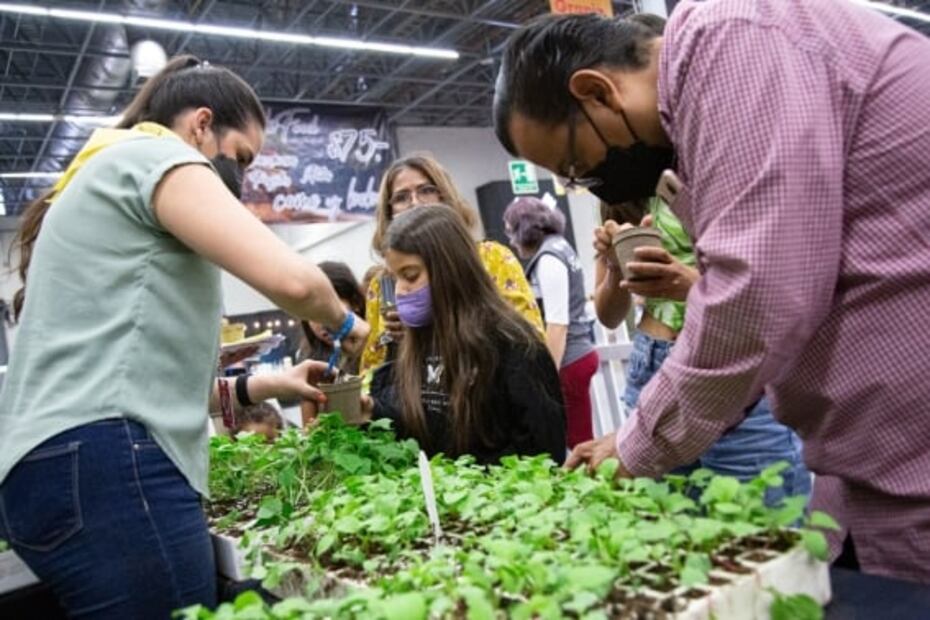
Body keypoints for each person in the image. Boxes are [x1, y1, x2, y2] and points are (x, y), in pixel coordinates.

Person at [493, 1, 930, 583]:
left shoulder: (733, 42)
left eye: (577, 164)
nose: (585, 184)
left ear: (597, 92)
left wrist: (638, 442)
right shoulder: (700, 115)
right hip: (872, 462)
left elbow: (755, 298)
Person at [0, 55, 368, 618]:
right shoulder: (155, 154)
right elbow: (294, 280)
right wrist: (347, 324)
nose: (242, 176)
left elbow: (146, 374)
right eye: (241, 157)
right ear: (200, 125)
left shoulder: (100, 177)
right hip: (108, 471)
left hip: (48, 474)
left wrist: (273, 383)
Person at [595, 198, 810, 505]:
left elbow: (776, 288)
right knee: (669, 533)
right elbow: (609, 316)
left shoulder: (719, 169)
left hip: (730, 362)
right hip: (652, 363)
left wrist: (692, 284)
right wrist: (614, 264)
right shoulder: (619, 187)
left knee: (759, 527)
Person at [364, 206, 566, 465]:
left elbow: (543, 452)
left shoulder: (513, 344)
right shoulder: (414, 344)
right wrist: (373, 411)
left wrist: (468, 488)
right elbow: (422, 426)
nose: (401, 291)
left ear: (450, 269)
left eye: (410, 276)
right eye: (395, 279)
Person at [360, 153, 543, 374]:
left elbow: (531, 344)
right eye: (401, 197)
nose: (415, 203)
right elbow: (372, 373)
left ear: (444, 197)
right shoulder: (384, 284)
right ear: (389, 213)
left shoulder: (491, 259)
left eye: (426, 190)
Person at [503, 197, 597, 449]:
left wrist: (547, 375)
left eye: (512, 231)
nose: (511, 241)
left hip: (568, 359)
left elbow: (557, 324)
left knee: (576, 443)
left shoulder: (548, 259)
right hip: (579, 354)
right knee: (580, 437)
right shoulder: (561, 246)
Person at [297, 261, 367, 375]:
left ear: (355, 303)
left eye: (327, 311)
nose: (322, 323)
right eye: (312, 315)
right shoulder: (308, 361)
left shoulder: (379, 350)